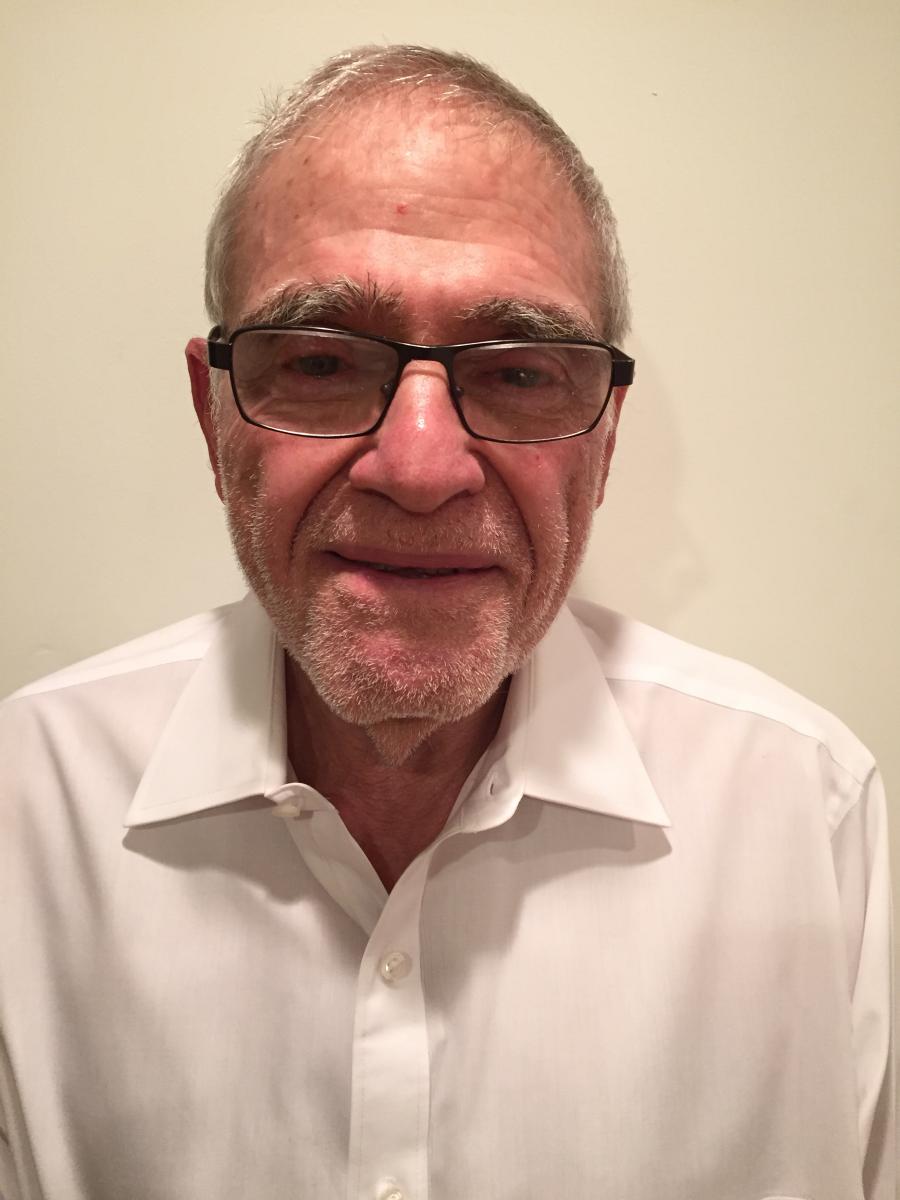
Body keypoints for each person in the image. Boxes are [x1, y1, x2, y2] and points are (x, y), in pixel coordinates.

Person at [0, 43, 893, 1200]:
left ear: (604, 443)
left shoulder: (807, 821)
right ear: (214, 417)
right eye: (320, 360)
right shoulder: (27, 812)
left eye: (519, 374)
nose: (420, 469)